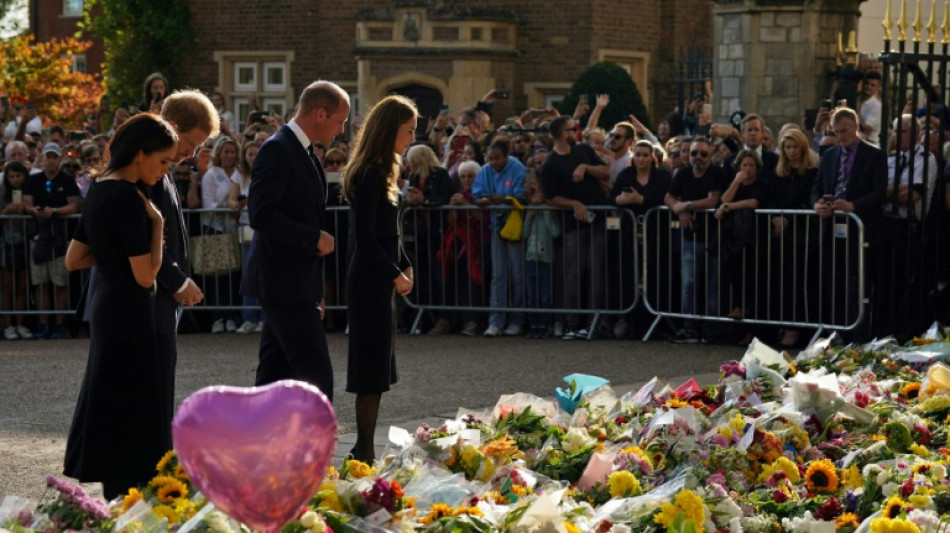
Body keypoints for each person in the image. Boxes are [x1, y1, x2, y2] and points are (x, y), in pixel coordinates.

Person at [62, 113, 178, 499]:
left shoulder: (98, 188)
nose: (165, 171)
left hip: (106, 304)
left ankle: (116, 490)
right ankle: (130, 492)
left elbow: (74, 258)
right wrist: (157, 225)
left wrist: (115, 256)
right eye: (163, 161)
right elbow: (146, 275)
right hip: (129, 308)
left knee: (110, 392)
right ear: (140, 153)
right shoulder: (129, 197)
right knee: (133, 397)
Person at [241, 80, 346, 400]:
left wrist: (316, 289)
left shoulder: (304, 151)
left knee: (274, 372)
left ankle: (261, 431)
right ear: (320, 113)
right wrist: (313, 237)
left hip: (296, 280)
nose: (341, 130)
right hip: (282, 279)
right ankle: (318, 433)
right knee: (315, 372)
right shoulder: (277, 148)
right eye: (340, 120)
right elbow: (261, 214)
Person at [341, 94, 415, 462]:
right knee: (370, 370)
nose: (412, 138)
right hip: (370, 280)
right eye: (408, 130)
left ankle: (363, 447)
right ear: (389, 130)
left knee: (378, 369)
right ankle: (364, 451)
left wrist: (405, 264)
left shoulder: (386, 171)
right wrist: (394, 272)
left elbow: (391, 232)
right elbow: (366, 238)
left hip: (381, 277)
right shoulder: (370, 173)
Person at [23, 142, 81, 339]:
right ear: (43, 159)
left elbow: (74, 206)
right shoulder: (33, 180)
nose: (51, 161)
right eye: (48, 157)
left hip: (59, 238)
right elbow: (26, 203)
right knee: (41, 283)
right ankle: (43, 324)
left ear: (60, 159)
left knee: (59, 282)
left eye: (54, 157)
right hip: (38, 237)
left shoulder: (67, 180)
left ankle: (58, 324)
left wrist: (54, 212)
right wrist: (35, 211)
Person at [769, 128, 818, 348]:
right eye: (787, 147)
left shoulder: (811, 173)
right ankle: (784, 325)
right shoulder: (779, 173)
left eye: (795, 146)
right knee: (782, 281)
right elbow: (771, 198)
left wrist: (787, 218)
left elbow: (809, 201)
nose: (791, 151)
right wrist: (775, 218)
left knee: (800, 282)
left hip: (802, 234)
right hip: (781, 235)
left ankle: (797, 329)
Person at [474, 140, 528, 337]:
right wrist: (483, 201)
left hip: (514, 227)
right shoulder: (485, 170)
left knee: (518, 275)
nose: (493, 162)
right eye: (490, 158)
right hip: (496, 226)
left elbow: (522, 197)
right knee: (498, 276)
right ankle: (495, 321)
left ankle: (517, 320)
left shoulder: (517, 168)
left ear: (506, 156)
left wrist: (503, 200)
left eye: (497, 158)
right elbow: (477, 194)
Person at [1, 161, 32, 340]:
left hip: (24, 242)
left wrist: (26, 209)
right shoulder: (2, 193)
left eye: (18, 176)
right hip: (6, 243)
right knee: (7, 287)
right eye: (11, 176)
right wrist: (6, 210)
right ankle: (8, 325)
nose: (15, 179)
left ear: (24, 176)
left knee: (22, 286)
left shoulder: (28, 193)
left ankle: (20, 324)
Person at [523, 187, 560, 338]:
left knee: (545, 294)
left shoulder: (550, 212)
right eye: (535, 193)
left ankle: (544, 324)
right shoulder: (530, 212)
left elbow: (555, 232)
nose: (537, 196)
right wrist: (529, 216)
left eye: (540, 193)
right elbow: (524, 233)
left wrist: (547, 214)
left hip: (546, 259)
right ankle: (533, 324)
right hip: (531, 258)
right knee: (532, 294)